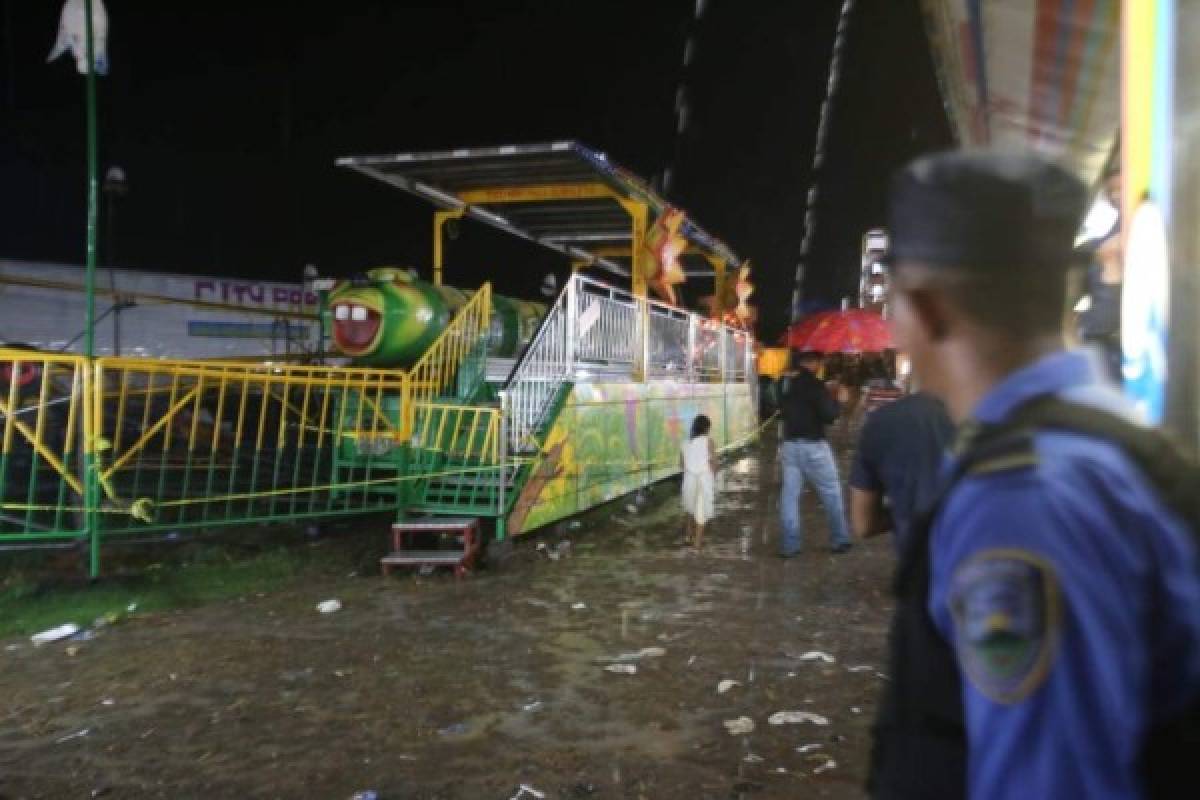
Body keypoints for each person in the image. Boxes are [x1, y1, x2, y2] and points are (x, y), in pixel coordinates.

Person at [868, 151, 1200, 799]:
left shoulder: (1022, 501)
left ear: (930, 312)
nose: (891, 327)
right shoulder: (1105, 435)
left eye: (894, 301)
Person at [849, 391, 953, 554]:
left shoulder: (883, 421)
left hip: (918, 564)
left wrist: (905, 510)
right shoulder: (998, 415)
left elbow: (864, 524)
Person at [777, 350, 852, 556]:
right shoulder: (817, 386)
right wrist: (839, 401)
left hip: (790, 446)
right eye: (819, 362)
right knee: (831, 491)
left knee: (789, 496)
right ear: (814, 362)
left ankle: (790, 545)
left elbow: (781, 408)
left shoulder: (787, 383)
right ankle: (839, 539)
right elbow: (829, 416)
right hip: (814, 447)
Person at [680, 414, 716, 549]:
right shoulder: (709, 441)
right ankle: (697, 543)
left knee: (689, 507)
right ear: (706, 428)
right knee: (701, 510)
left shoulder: (684, 443)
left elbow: (682, 465)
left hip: (689, 479)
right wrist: (713, 476)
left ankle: (688, 535)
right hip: (704, 480)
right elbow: (713, 463)